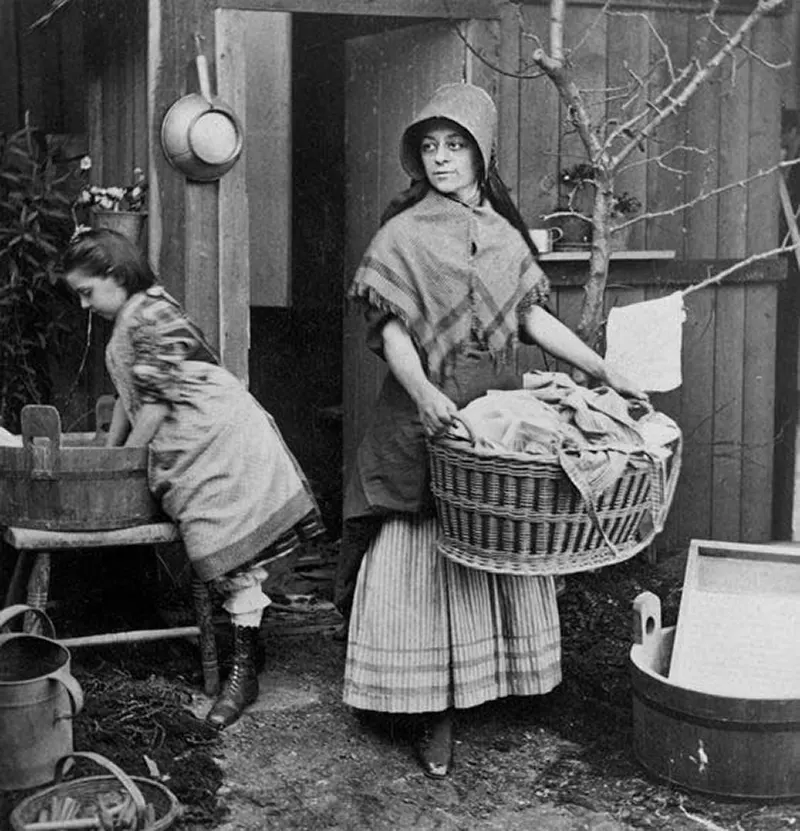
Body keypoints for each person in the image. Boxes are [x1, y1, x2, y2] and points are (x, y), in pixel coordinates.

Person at [336, 83, 646, 778]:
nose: (441, 159)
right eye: (429, 146)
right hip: (421, 416)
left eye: (455, 145)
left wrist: (605, 368)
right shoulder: (404, 233)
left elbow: (531, 318)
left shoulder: (503, 236)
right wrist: (420, 394)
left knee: (492, 534)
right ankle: (427, 708)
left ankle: (490, 686)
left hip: (489, 409)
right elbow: (389, 332)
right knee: (421, 543)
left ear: (482, 152)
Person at [60, 228, 325, 729]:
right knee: (217, 552)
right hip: (187, 443)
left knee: (220, 546)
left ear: (116, 276)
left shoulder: (153, 312)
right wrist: (107, 455)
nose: (82, 304)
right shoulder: (128, 317)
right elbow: (129, 394)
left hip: (216, 439)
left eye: (87, 291)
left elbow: (157, 402)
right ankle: (251, 642)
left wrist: (127, 462)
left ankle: (243, 676)